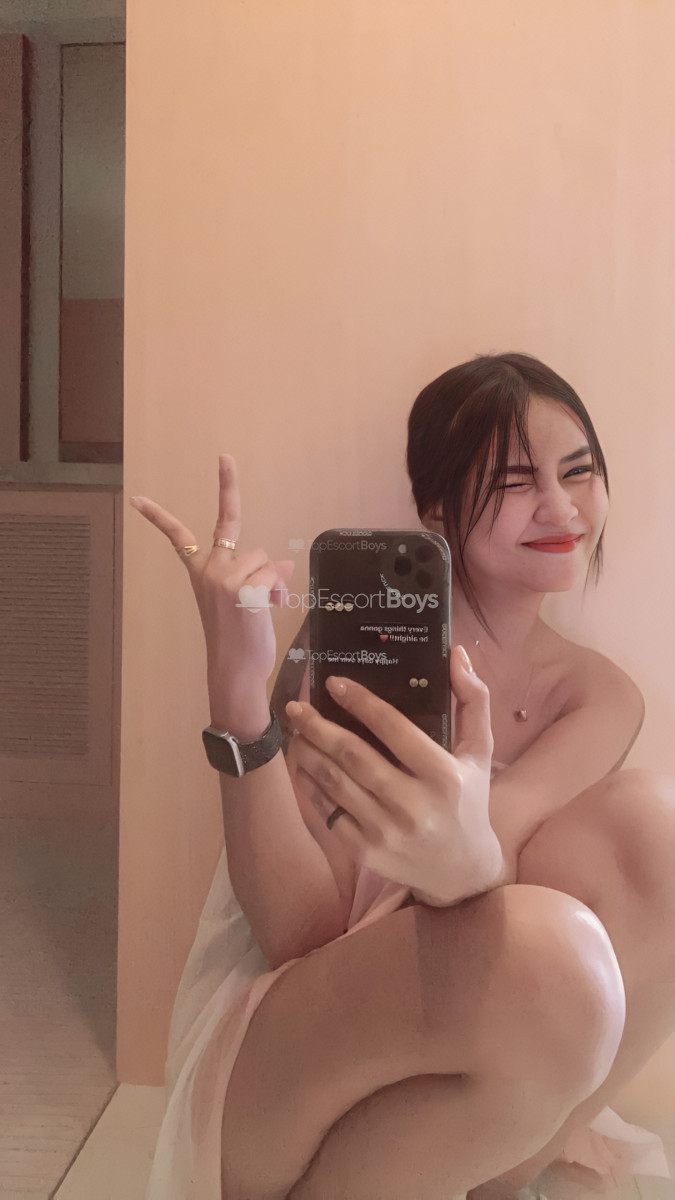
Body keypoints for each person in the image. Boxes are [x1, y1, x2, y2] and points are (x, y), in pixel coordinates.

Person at [132, 352, 675, 1200]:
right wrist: (237, 696)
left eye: (577, 472)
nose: (560, 506)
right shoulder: (369, 644)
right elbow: (300, 935)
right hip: (287, 1067)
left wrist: (467, 860)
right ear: (435, 510)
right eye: (514, 481)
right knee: (551, 955)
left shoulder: (596, 694)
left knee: (656, 825)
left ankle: (488, 1176)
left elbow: (498, 860)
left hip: (489, 1072)